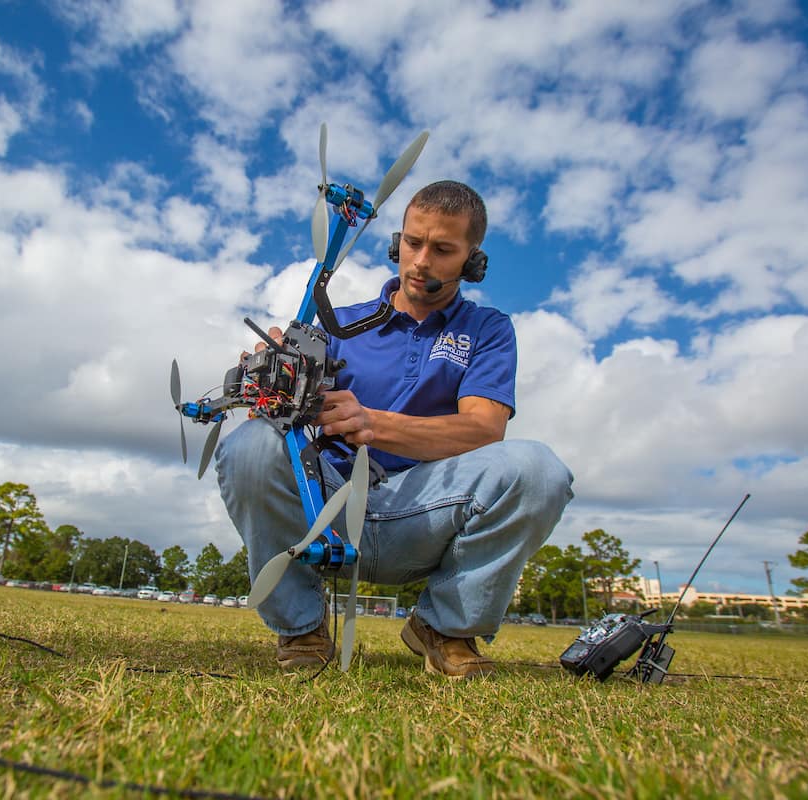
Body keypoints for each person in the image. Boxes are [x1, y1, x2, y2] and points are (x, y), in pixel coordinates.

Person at [216, 180, 573, 678]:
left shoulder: (487, 329)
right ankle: (301, 629)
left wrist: (372, 422)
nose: (421, 260)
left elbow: (483, 430)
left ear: (473, 260)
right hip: (332, 506)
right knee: (250, 448)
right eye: (412, 242)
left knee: (539, 470)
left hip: (428, 513)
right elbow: (274, 428)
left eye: (443, 249)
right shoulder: (337, 325)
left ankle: (444, 629)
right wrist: (269, 389)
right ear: (396, 242)